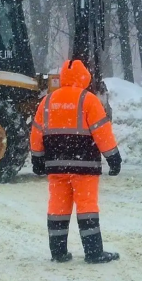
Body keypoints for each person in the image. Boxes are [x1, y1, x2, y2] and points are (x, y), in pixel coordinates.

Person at [30, 59, 122, 264]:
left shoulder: (47, 101)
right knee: (86, 205)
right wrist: (113, 158)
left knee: (57, 207)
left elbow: (36, 132)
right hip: (85, 165)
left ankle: (58, 252)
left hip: (56, 165)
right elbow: (102, 132)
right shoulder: (88, 100)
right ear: (84, 77)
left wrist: (37, 158)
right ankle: (93, 252)